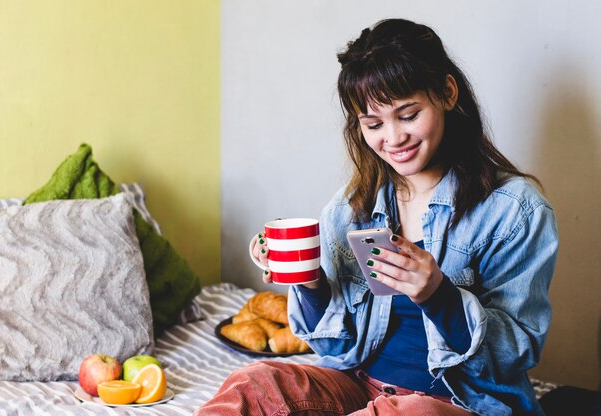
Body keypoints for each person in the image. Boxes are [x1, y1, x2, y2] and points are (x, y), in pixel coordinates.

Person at [195, 18, 558, 416]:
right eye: (373, 123)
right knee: (255, 383)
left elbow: (515, 353)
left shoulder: (514, 210)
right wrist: (311, 281)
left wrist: (440, 295)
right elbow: (335, 348)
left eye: (408, 114)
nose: (393, 138)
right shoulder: (354, 207)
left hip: (460, 403)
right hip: (361, 388)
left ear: (447, 93)